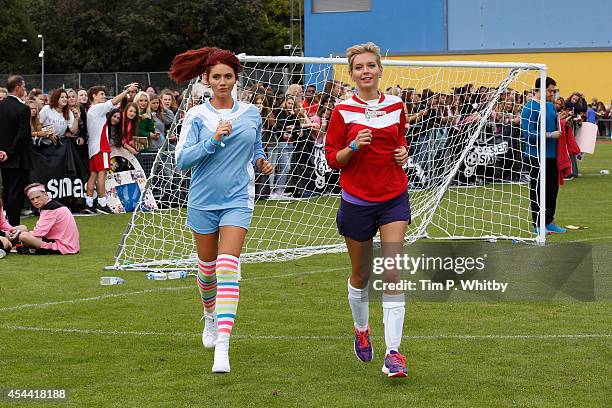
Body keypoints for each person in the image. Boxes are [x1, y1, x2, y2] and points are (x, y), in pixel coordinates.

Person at [169, 46, 273, 374]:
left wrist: (260, 160)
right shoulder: (196, 116)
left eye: (228, 76)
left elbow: (255, 146)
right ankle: (210, 317)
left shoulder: (251, 113)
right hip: (201, 201)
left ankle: (223, 347)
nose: (223, 82)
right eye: (217, 77)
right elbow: (181, 161)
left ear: (236, 78)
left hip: (238, 200)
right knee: (207, 271)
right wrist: (213, 140)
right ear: (206, 80)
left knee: (229, 266)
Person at [324, 42, 410, 378]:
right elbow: (333, 159)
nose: (366, 71)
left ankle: (394, 354)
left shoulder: (396, 104)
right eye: (359, 67)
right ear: (352, 73)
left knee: (392, 270)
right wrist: (353, 146)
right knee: (361, 275)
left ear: (379, 70)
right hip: (357, 202)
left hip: (393, 197)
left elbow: (401, 142)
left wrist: (403, 153)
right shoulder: (342, 110)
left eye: (371, 65)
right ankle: (362, 328)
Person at [84, 82, 138, 214]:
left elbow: (117, 104)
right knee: (102, 175)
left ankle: (89, 203)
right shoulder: (97, 108)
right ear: (94, 96)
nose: (104, 96)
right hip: (101, 147)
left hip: (93, 148)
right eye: (101, 94)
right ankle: (102, 203)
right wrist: (126, 91)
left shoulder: (93, 110)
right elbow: (113, 102)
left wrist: (125, 92)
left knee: (93, 175)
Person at [520, 76, 565, 234]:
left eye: (554, 91)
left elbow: (555, 126)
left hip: (552, 155)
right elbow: (527, 133)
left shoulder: (551, 106)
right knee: (538, 189)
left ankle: (549, 220)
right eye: (550, 90)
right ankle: (538, 224)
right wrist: (549, 135)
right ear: (540, 89)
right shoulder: (529, 108)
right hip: (535, 155)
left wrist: (564, 124)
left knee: (552, 189)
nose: (553, 94)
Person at [10, 183, 79, 255]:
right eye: (32, 199)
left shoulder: (50, 209)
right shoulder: (52, 205)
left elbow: (38, 233)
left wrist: (18, 236)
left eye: (37, 197)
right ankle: (22, 246)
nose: (35, 201)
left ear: (45, 194)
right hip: (68, 244)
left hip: (63, 246)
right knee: (22, 229)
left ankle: (18, 246)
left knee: (23, 236)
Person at [0, 75, 32, 227]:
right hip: (18, 159)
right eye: (24, 87)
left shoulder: (1, 106)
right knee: (16, 194)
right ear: (18, 87)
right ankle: (13, 226)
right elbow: (22, 135)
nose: (25, 90)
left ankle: (4, 225)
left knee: (6, 191)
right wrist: (10, 153)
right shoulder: (23, 108)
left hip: (3, 158)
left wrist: (2, 152)